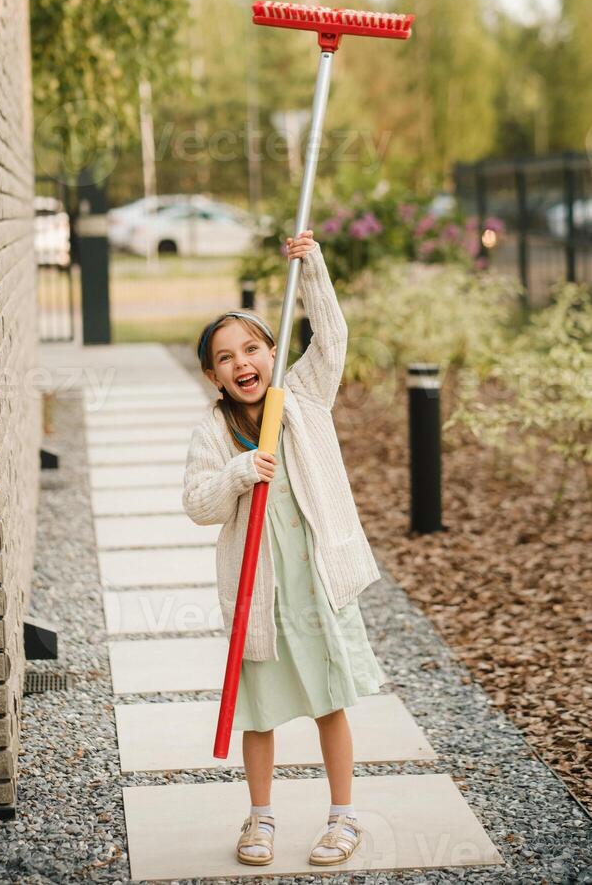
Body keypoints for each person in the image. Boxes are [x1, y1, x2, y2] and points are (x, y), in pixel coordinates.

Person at [182, 229, 389, 867]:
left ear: (273, 353)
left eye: (252, 348)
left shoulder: (301, 399)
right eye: (225, 357)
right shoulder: (214, 432)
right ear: (212, 374)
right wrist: (241, 474)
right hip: (261, 595)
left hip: (317, 585)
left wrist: (314, 269)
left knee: (331, 703)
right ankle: (261, 818)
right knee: (260, 711)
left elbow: (332, 340)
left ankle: (343, 816)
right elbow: (199, 504)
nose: (241, 363)